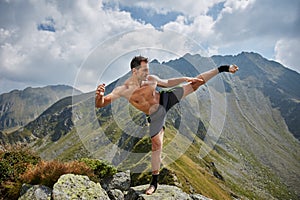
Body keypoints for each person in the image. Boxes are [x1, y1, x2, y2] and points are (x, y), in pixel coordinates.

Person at [95, 56, 238, 195]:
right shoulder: (123, 89)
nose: (147, 73)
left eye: (148, 69)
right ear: (134, 71)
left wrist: (184, 79)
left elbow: (167, 83)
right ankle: (154, 182)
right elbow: (101, 104)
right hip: (155, 115)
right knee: (156, 145)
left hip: (165, 99)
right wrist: (99, 96)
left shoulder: (151, 80)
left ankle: (222, 69)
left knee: (195, 84)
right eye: (144, 70)